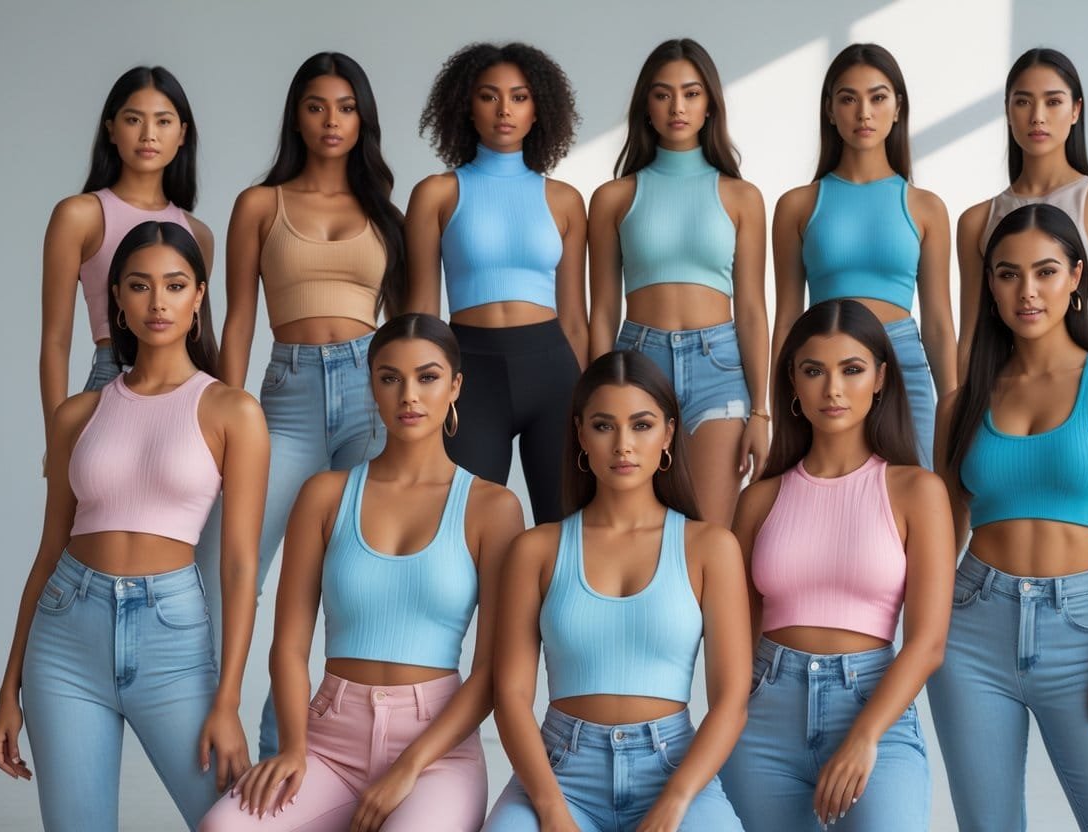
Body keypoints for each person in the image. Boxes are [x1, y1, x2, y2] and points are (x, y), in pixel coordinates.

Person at [0, 221, 269, 830]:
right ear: (116, 296)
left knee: (234, 821)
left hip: (173, 639)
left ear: (199, 296)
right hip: (65, 634)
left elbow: (240, 564)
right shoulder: (77, 414)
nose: (158, 301)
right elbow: (48, 551)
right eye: (140, 286)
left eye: (175, 285)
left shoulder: (232, 411)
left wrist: (229, 698)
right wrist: (8, 688)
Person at [199, 313, 523, 831]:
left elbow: (489, 672)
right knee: (223, 827)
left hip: (435, 750)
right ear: (371, 384)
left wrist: (409, 767)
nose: (408, 395)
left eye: (428, 377)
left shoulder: (492, 508)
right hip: (329, 739)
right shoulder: (325, 495)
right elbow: (287, 646)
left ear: (456, 385)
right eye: (390, 378)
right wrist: (293, 747)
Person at [929, 204, 1088, 830]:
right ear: (990, 285)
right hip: (970, 633)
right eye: (1007, 274)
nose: (1027, 291)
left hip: (1082, 635)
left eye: (1046, 271)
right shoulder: (960, 404)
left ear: (1077, 277)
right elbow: (940, 537)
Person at [206, 51, 406, 758]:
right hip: (283, 398)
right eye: (317, 105)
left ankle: (309, 742)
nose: (331, 120)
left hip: (368, 395)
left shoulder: (385, 212)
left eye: (346, 107)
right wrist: (220, 419)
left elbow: (409, 336)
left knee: (356, 581)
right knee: (229, 567)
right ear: (297, 113)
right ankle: (234, 731)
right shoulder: (261, 205)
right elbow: (235, 321)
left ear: (363, 119)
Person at [484, 350, 750, 831]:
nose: (623, 445)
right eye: (605, 426)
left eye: (642, 425)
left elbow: (731, 699)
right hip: (560, 774)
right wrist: (549, 809)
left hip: (673, 771)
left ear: (668, 433)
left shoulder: (710, 547)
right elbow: (511, 694)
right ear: (581, 435)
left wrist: (675, 802)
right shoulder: (537, 549)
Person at [720, 299, 953, 831]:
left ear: (880, 379)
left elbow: (927, 643)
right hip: (763, 719)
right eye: (813, 371)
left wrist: (865, 736)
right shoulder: (759, 500)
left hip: (874, 708)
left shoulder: (917, 492)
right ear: (793, 385)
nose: (833, 389)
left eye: (851, 370)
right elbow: (734, 637)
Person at [589, 37, 769, 525]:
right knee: (640, 526)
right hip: (638, 361)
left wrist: (762, 411)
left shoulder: (741, 197)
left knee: (712, 530)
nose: (677, 106)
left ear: (710, 103)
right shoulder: (613, 198)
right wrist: (597, 393)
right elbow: (602, 308)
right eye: (663, 93)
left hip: (720, 367)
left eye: (691, 93)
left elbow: (752, 309)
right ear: (645, 105)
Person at [407, 41, 586, 524]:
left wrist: (591, 399)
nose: (504, 109)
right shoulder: (436, 194)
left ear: (538, 110)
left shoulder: (565, 200)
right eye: (489, 96)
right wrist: (423, 388)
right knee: (462, 527)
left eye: (520, 97)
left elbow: (574, 317)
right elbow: (420, 316)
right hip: (470, 372)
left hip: (553, 371)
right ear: (466, 106)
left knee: (567, 527)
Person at [771, 43, 955, 469]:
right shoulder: (798, 206)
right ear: (830, 111)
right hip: (824, 366)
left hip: (904, 362)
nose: (864, 113)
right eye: (848, 99)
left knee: (918, 490)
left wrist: (953, 404)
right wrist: (777, 403)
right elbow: (786, 317)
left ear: (897, 108)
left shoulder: (925, 207)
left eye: (877, 97)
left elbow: (940, 322)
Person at [39, 66, 213, 446]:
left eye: (163, 121)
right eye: (133, 119)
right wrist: (57, 437)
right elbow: (55, 339)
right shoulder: (79, 216)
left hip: (183, 389)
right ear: (111, 129)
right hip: (110, 376)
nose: (148, 134)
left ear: (182, 133)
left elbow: (199, 334)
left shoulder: (197, 234)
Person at [956, 48, 1088, 371]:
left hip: (1082, 380)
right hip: (1003, 387)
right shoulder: (977, 221)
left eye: (1053, 101)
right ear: (1007, 109)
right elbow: (971, 333)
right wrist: (961, 409)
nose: (1037, 116)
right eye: (1023, 101)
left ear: (1076, 110)